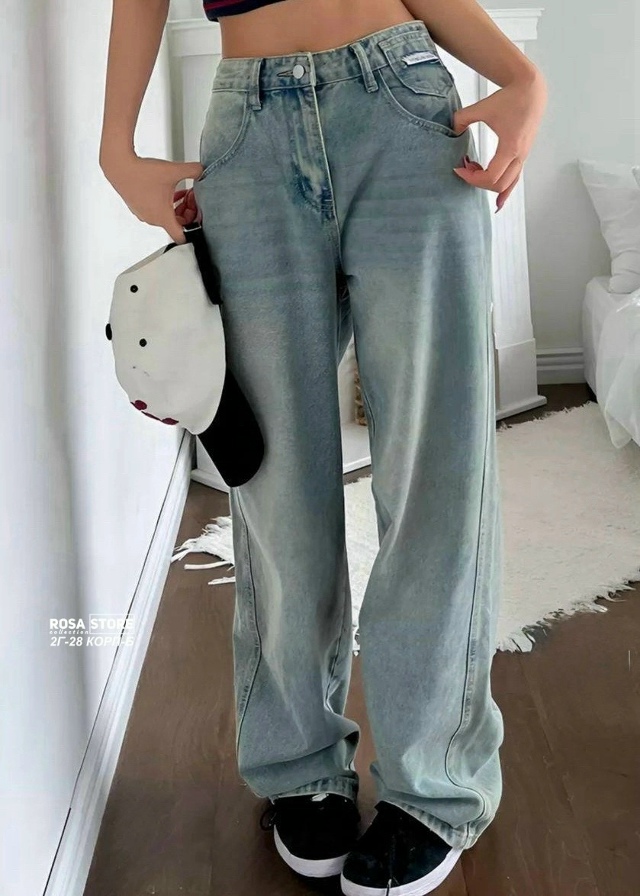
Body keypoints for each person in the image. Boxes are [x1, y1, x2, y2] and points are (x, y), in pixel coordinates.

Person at [100, 1, 546, 893]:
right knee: (273, 485)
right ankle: (300, 761)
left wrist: (521, 73)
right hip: (249, 127)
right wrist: (116, 149)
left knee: (437, 473)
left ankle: (434, 783)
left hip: (403, 108)